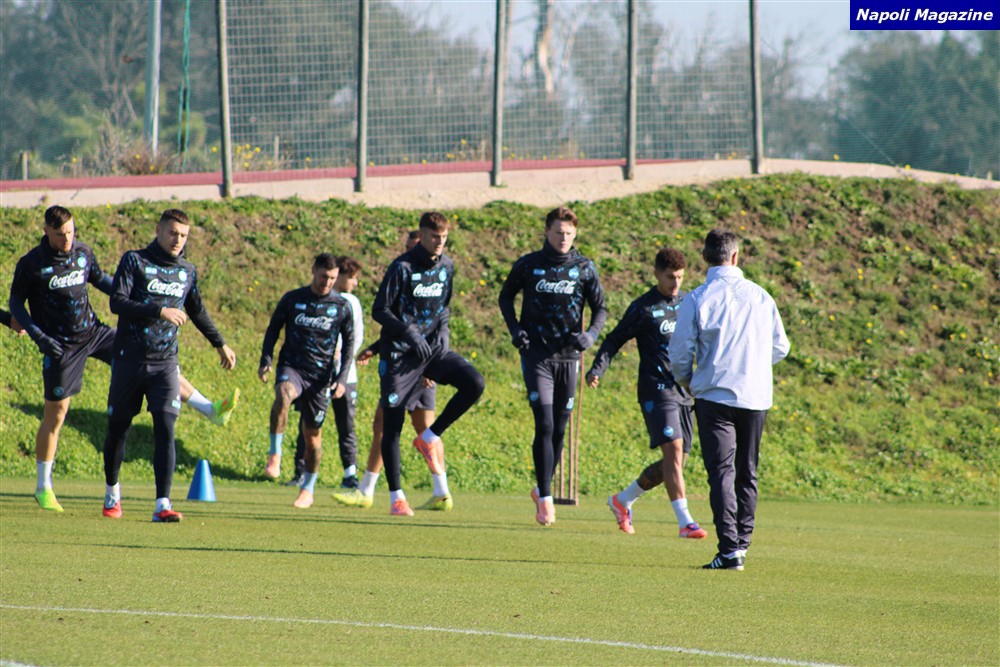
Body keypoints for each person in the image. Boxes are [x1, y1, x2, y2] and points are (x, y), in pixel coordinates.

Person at [8, 206, 238, 514]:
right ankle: (43, 486)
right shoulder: (31, 264)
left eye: (71, 232)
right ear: (47, 231)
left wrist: (133, 291)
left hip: (94, 332)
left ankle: (209, 409)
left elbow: (102, 281)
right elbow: (15, 304)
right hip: (60, 345)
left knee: (146, 353)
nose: (67, 239)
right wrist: (39, 336)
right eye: (61, 234)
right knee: (57, 413)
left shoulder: (82, 254)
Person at [102, 209, 237, 522]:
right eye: (173, 233)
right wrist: (158, 310)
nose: (178, 240)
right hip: (129, 360)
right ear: (159, 230)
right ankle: (112, 493)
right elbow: (116, 302)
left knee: (166, 428)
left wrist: (220, 343)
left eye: (184, 235)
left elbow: (197, 310)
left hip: (165, 364)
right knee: (118, 430)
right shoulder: (134, 261)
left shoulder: (186, 271)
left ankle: (162, 504)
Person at [669, 229, 789, 570]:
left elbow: (680, 352)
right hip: (755, 395)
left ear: (705, 257)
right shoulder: (762, 296)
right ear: (736, 256)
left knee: (722, 472)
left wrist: (688, 381)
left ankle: (729, 548)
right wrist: (752, 366)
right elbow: (781, 347)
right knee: (747, 472)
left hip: (715, 395)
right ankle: (742, 543)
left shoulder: (697, 298)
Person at [585, 247, 706, 538]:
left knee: (676, 464)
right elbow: (614, 340)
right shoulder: (643, 308)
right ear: (656, 274)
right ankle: (685, 523)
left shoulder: (689, 303)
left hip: (684, 391)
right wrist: (597, 369)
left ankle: (622, 500)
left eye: (680, 277)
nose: (675, 283)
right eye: (670, 277)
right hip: (656, 390)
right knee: (673, 451)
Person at [371, 211, 485, 516]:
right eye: (435, 237)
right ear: (421, 234)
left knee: (475, 383)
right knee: (392, 425)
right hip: (399, 355)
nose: (439, 242)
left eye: (444, 237)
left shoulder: (447, 266)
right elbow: (380, 310)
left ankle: (429, 437)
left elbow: (444, 307)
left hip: (431, 351)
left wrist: (444, 331)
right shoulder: (402, 267)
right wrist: (409, 333)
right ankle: (397, 497)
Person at [499, 206, 607, 526]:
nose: (563, 238)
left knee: (559, 428)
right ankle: (546, 498)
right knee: (544, 423)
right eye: (558, 232)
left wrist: (591, 335)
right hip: (537, 356)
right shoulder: (529, 264)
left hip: (569, 358)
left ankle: (540, 488)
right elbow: (505, 298)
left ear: (575, 234)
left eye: (569, 233)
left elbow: (600, 309)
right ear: (547, 231)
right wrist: (516, 330)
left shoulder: (584, 267)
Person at [334, 231, 439, 509]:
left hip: (409, 366)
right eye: (406, 247)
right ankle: (442, 489)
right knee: (424, 431)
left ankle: (369, 491)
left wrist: (431, 365)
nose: (408, 253)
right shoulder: (414, 279)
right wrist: (376, 347)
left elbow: (416, 326)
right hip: (417, 362)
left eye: (412, 247)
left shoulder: (422, 281)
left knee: (385, 426)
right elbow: (406, 327)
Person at [259, 253, 355, 508]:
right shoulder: (293, 299)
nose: (327, 282)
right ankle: (275, 454)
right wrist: (266, 359)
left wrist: (342, 379)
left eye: (332, 278)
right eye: (323, 276)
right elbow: (273, 329)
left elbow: (349, 346)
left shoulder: (341, 306)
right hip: (293, 368)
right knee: (283, 395)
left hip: (320, 378)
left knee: (313, 438)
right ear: (313, 270)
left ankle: (308, 488)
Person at [284, 256, 365, 490]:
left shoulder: (351, 302)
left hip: (345, 377)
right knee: (308, 423)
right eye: (351, 278)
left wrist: (343, 363)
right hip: (317, 375)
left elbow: (355, 337)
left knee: (346, 425)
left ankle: (350, 474)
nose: (354, 283)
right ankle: (301, 471)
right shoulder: (316, 300)